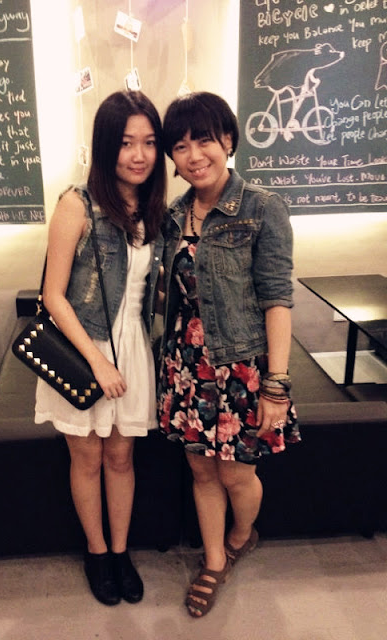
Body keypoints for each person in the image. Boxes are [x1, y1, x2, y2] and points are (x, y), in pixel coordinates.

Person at [157, 92, 300, 618]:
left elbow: (277, 298)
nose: (194, 155)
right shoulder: (173, 215)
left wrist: (276, 385)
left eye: (205, 140)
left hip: (242, 365)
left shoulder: (262, 207)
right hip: (186, 365)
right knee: (201, 472)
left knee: (238, 474)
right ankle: (213, 561)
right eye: (181, 146)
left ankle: (241, 535)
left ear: (229, 141)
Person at [35, 90, 166, 606]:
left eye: (149, 142)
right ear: (106, 144)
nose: (139, 154)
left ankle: (120, 550)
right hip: (83, 347)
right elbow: (53, 295)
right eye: (127, 142)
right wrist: (97, 362)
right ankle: (96, 553)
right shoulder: (77, 204)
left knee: (121, 456)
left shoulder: (156, 209)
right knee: (87, 456)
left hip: (133, 345)